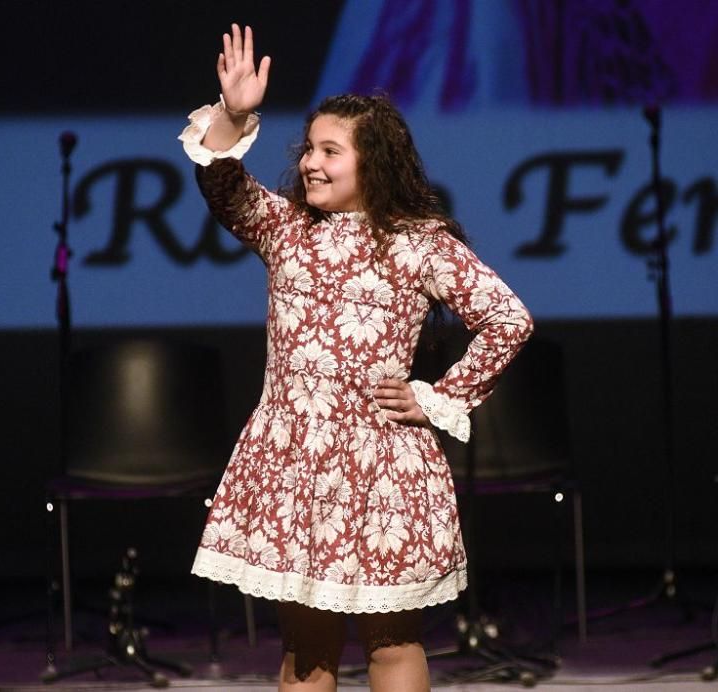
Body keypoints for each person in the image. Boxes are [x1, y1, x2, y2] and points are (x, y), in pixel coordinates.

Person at [179, 24, 533, 692]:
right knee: (304, 652)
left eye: (330, 151)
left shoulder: (419, 243)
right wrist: (233, 113)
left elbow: (507, 319)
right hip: (292, 464)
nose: (311, 162)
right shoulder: (286, 229)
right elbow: (223, 186)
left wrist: (437, 397)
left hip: (380, 469)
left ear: (372, 161)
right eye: (308, 148)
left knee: (391, 643)